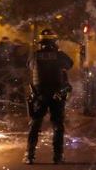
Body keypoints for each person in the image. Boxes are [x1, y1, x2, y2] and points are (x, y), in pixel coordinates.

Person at [23, 29, 73, 165]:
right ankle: (58, 156)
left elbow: (29, 67)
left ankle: (29, 155)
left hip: (40, 96)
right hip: (57, 95)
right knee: (57, 126)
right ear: (54, 41)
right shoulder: (60, 55)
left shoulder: (34, 56)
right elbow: (70, 65)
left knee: (34, 125)